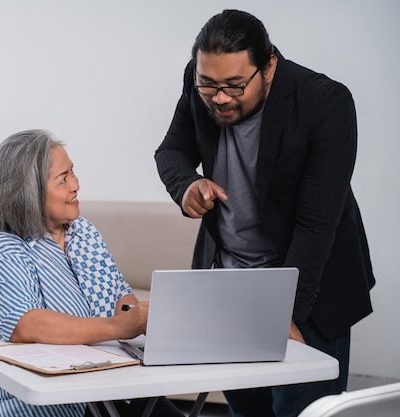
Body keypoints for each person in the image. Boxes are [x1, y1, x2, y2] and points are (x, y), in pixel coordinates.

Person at [154, 9, 375, 417]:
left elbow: (316, 225)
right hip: (232, 287)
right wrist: (186, 184)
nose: (219, 98)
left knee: (303, 410)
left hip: (309, 289)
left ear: (269, 66)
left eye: (235, 86)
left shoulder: (325, 103)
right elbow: (171, 151)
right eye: (209, 86)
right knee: (246, 409)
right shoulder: (198, 79)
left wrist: (281, 316)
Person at [0, 129, 184, 417]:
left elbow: (118, 296)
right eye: (63, 179)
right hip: (46, 404)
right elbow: (28, 325)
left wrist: (141, 316)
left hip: (112, 389)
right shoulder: (2, 248)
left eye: (72, 172)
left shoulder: (84, 231)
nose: (76, 185)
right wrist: (121, 326)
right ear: (28, 190)